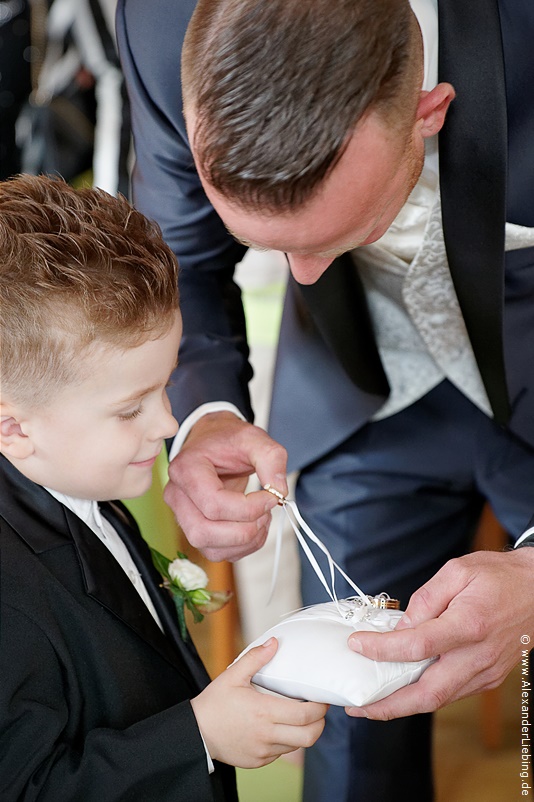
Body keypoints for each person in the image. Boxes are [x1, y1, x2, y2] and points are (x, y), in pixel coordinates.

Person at [116, 0, 534, 800]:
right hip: (359, 393)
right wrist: (207, 417)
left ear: (430, 112)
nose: (301, 276)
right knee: (350, 728)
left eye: (329, 238)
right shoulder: (166, 23)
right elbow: (179, 260)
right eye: (275, 247)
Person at [0, 174, 327, 801]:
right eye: (130, 410)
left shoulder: (73, 476)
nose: (169, 424)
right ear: (14, 426)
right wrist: (198, 738)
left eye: (167, 384)